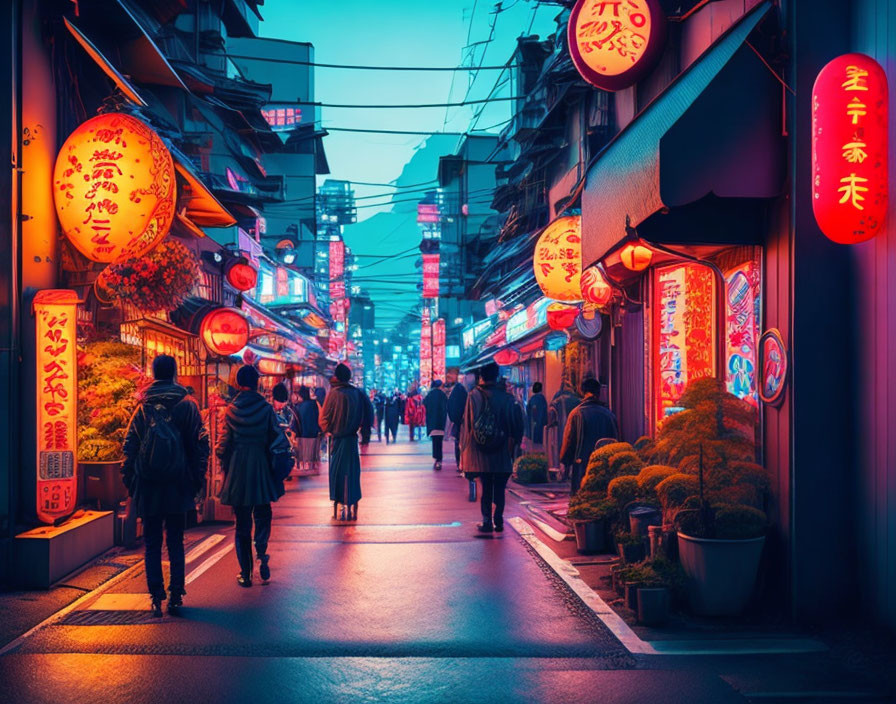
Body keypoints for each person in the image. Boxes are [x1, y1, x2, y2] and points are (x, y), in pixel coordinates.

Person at [122, 355, 209, 616]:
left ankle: (155, 594)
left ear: (152, 373)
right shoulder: (187, 405)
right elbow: (199, 446)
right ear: (175, 373)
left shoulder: (143, 407)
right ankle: (176, 595)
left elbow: (130, 447)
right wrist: (196, 479)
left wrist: (131, 482)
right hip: (178, 483)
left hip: (148, 485)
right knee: (175, 540)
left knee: (151, 542)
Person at [217, 365, 286, 588]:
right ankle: (261, 552)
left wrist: (222, 455)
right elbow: (276, 438)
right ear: (257, 383)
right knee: (263, 514)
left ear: (238, 383)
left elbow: (222, 445)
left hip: (238, 470)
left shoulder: (230, 410)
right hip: (261, 468)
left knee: (242, 523)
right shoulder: (266, 410)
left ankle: (245, 574)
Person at [460, 361, 524, 533]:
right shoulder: (508, 397)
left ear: (481, 377)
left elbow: (468, 428)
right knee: (500, 489)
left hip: (482, 452)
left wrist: (466, 455)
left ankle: (487, 521)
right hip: (503, 451)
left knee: (486, 487)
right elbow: (516, 425)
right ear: (497, 376)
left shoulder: (473, 396)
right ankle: (499, 520)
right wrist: (515, 447)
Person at [320, 363, 365, 521]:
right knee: (352, 473)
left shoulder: (333, 393)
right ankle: (352, 501)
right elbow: (366, 414)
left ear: (337, 377)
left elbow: (324, 419)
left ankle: (339, 501)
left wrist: (329, 430)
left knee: (338, 473)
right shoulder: (357, 393)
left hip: (338, 441)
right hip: (352, 441)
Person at [560, 377, 619, 495]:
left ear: (582, 392)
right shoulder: (609, 415)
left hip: (582, 466)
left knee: (581, 499)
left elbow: (569, 440)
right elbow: (616, 441)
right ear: (598, 392)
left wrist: (564, 462)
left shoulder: (576, 413)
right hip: (605, 467)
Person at [549, 382, 582, 479]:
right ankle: (571, 474)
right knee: (574, 450)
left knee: (562, 451)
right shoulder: (578, 401)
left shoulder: (556, 401)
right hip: (576, 430)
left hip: (561, 430)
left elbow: (551, 415)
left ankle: (562, 474)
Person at [272, 383, 299, 482]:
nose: (281, 405)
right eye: (279, 402)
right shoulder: (268, 411)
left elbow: (291, 430)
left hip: (284, 450)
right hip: (272, 451)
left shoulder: (288, 412)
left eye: (284, 403)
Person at [295, 386, 321, 474]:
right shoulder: (314, 404)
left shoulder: (299, 406)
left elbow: (298, 422)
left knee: (304, 453)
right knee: (313, 453)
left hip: (303, 434)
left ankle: (304, 467)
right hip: (314, 433)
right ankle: (313, 466)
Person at [423, 379, 449, 470]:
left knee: (435, 442)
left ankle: (436, 458)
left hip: (432, 423)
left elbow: (424, 404)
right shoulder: (443, 395)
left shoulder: (429, 395)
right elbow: (446, 406)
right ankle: (439, 459)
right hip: (441, 422)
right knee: (439, 442)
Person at [447, 374, 468, 473]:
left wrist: (454, 419)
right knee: (465, 442)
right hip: (465, 422)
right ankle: (464, 462)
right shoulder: (466, 392)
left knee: (457, 442)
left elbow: (450, 406)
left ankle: (459, 463)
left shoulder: (454, 393)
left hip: (457, 422)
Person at [526, 382, 548, 450]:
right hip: (541, 427)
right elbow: (544, 413)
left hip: (533, 427)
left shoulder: (531, 399)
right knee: (541, 447)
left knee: (533, 447)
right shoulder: (542, 399)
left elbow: (528, 412)